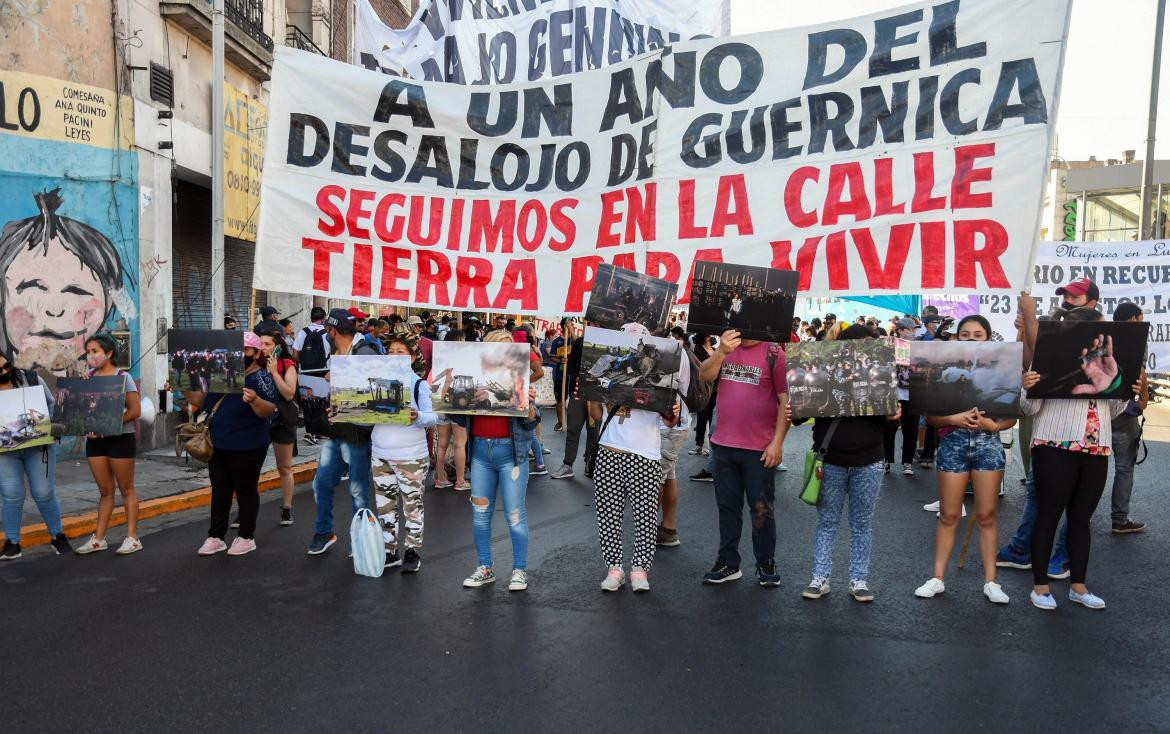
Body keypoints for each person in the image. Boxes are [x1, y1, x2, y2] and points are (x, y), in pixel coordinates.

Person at [913, 316, 1039, 605]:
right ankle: (937, 578)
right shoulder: (943, 367)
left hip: (988, 447)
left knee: (986, 515)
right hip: (953, 445)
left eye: (978, 334)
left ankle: (991, 582)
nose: (971, 338)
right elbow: (930, 417)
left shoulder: (1002, 367)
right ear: (957, 337)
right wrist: (954, 419)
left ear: (987, 337)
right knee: (949, 514)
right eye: (966, 333)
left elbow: (1010, 417)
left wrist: (993, 427)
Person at [1021, 302, 1137, 611]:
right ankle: (1040, 587)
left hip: (1097, 449)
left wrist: (1121, 388)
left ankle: (1079, 586)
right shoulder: (1047, 358)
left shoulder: (1104, 363)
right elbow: (1028, 410)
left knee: (1081, 520)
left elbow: (1113, 412)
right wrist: (1029, 388)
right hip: (1054, 446)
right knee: (1048, 515)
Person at [791, 325, 898, 602]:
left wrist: (892, 415)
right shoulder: (824, 374)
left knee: (862, 524)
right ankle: (820, 577)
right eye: (863, 344)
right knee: (827, 522)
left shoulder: (879, 374)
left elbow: (889, 421)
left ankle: (859, 580)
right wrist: (795, 405)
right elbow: (799, 417)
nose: (867, 350)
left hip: (869, 460)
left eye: (871, 345)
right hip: (831, 459)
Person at [591, 323, 681, 592]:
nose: (634, 351)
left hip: (644, 454)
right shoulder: (609, 365)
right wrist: (589, 395)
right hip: (609, 450)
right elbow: (597, 417)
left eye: (638, 346)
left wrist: (672, 410)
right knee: (608, 515)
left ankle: (640, 569)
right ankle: (615, 568)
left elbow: (669, 423)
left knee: (644, 515)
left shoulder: (659, 374)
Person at [697, 328, 789, 585]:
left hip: (759, 450)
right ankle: (728, 563)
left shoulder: (775, 354)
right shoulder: (726, 347)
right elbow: (703, 376)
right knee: (727, 509)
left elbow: (786, 402)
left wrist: (777, 443)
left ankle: (766, 564)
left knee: (761, 509)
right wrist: (721, 352)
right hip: (724, 446)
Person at [458, 330, 541, 592]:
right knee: (480, 516)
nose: (502, 354)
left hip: (511, 455)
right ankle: (485, 567)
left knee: (515, 515)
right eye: (497, 348)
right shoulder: (475, 378)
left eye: (508, 349)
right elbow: (459, 416)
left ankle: (519, 570)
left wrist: (529, 405)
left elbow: (532, 422)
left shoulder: (519, 380)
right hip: (481, 453)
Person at [182, 332, 277, 556]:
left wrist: (254, 400)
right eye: (237, 350)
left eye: (245, 350)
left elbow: (270, 410)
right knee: (220, 490)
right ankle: (215, 536)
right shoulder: (221, 374)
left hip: (249, 444)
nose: (240, 354)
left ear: (255, 353)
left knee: (245, 490)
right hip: (218, 442)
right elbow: (201, 401)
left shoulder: (260, 378)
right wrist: (182, 387)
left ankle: (246, 536)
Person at [306, 309, 380, 555]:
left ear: (332, 330)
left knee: (358, 491)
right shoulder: (336, 353)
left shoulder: (364, 352)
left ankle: (361, 539)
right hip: (335, 431)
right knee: (322, 483)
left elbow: (374, 391)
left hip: (356, 435)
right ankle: (324, 532)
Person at [370, 336, 438, 572]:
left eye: (401, 351)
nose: (395, 354)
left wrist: (417, 416)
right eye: (391, 351)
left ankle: (411, 550)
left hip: (411, 457)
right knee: (385, 506)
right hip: (380, 455)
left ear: (411, 357)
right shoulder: (376, 382)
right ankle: (389, 551)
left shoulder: (419, 384)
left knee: (412, 504)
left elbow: (433, 416)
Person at [74, 332, 142, 556]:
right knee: (105, 491)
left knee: (126, 488)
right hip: (95, 442)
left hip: (120, 439)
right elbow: (82, 412)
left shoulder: (124, 377)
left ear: (109, 353)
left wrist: (109, 424)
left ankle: (132, 537)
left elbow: (135, 411)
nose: (90, 356)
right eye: (88, 352)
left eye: (95, 351)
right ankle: (99, 539)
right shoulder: (88, 379)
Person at [0, 355, 72, 559]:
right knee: (11, 495)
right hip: (5, 453)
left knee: (43, 493)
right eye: (0, 370)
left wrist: (50, 427)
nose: (5, 372)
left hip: (37, 447)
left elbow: (51, 404)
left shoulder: (29, 379)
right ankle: (12, 543)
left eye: (7, 366)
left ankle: (57, 536)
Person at [1109, 302, 1148, 534]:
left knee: (1090, 466)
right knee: (1124, 467)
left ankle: (1080, 515)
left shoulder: (1101, 336)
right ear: (1134, 319)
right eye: (1140, 318)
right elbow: (1140, 370)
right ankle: (1120, 519)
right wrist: (1142, 400)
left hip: (1099, 410)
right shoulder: (1137, 337)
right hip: (1124, 410)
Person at [549, 321, 600, 480]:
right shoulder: (580, 342)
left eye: (597, 324)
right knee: (573, 427)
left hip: (597, 394)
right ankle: (568, 464)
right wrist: (573, 380)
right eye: (591, 323)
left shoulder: (608, 343)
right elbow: (571, 366)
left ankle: (590, 463)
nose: (593, 326)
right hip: (579, 392)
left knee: (594, 431)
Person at [656, 327, 692, 548]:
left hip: (669, 425)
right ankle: (668, 529)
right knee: (668, 475)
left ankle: (648, 532)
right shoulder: (674, 347)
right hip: (674, 424)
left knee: (655, 479)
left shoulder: (669, 350)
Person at [260, 331, 298, 527]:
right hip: (259, 419)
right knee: (250, 468)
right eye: (260, 344)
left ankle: (286, 507)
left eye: (267, 344)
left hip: (281, 420)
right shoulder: (254, 365)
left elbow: (289, 394)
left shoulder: (286, 365)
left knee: (284, 467)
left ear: (277, 347)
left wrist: (274, 372)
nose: (263, 347)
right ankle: (244, 510)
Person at [884, 317, 921, 475]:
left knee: (911, 430)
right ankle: (886, 460)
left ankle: (908, 462)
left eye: (914, 329)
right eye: (910, 329)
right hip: (893, 393)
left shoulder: (919, 347)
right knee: (889, 429)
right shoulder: (889, 345)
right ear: (900, 330)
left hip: (913, 393)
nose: (913, 332)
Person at [292, 306, 331, 371]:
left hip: (305, 371)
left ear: (311, 318)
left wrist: (304, 363)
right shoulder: (327, 333)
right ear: (324, 319)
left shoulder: (302, 332)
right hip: (324, 370)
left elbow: (295, 355)